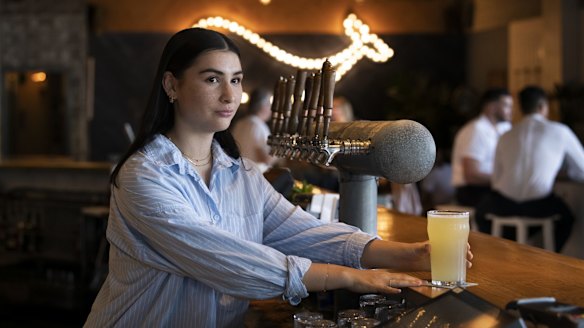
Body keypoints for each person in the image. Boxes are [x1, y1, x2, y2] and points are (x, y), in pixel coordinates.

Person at [83, 28, 473, 327]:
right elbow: (225, 261)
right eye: (211, 79)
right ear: (171, 85)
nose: (229, 96)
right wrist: (349, 279)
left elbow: (301, 230)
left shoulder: (240, 173)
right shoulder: (144, 176)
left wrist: (407, 253)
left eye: (235, 80)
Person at [475, 86, 584, 252]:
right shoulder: (561, 131)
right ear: (542, 107)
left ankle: (503, 251)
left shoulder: (506, 135)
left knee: (480, 213)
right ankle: (549, 257)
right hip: (538, 205)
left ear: (521, 108)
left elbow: (496, 179)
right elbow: (582, 170)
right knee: (566, 218)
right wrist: (565, 173)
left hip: (503, 204)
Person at [451, 88, 513, 207]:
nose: (511, 111)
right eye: (506, 106)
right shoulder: (476, 130)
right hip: (472, 190)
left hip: (493, 187)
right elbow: (471, 174)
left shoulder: (504, 128)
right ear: (491, 107)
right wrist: (504, 180)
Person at [231, 87, 277, 173]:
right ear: (263, 106)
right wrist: (281, 149)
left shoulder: (240, 123)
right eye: (269, 105)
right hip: (253, 176)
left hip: (238, 173)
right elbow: (266, 159)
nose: (271, 109)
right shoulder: (258, 126)